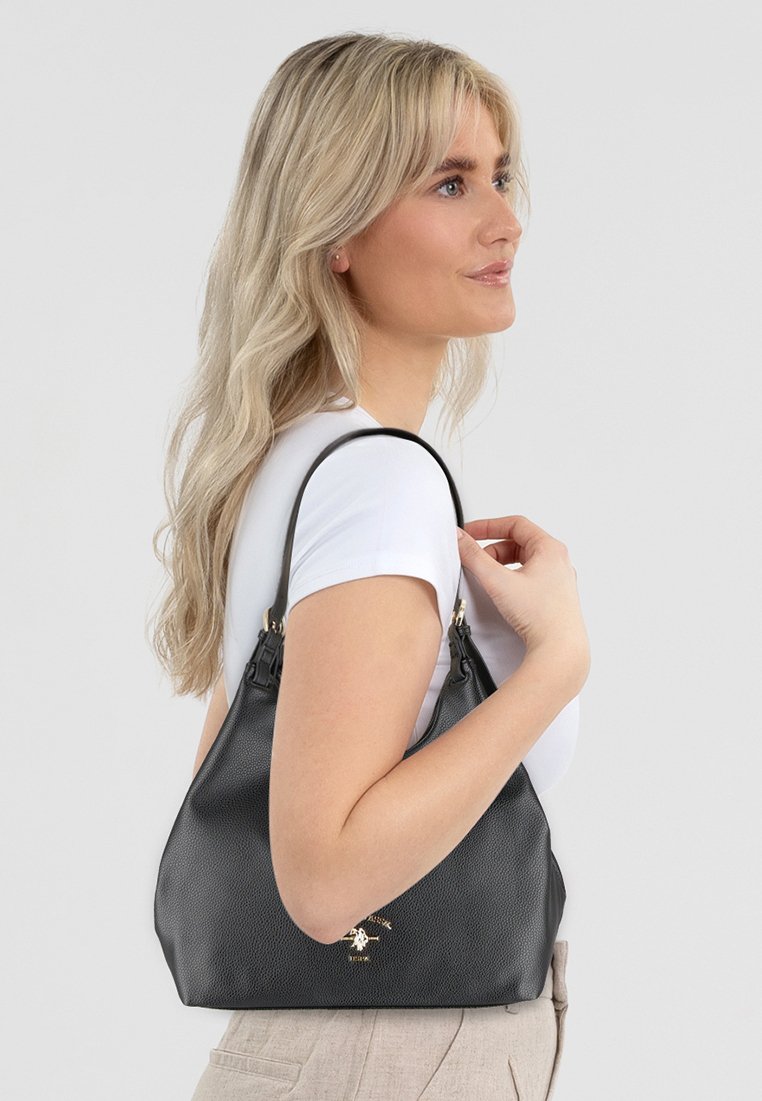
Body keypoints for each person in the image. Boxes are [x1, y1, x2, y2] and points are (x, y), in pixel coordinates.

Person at [149, 30, 590, 1101]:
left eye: (499, 177)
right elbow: (324, 881)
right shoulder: (378, 482)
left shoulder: (296, 459)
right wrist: (552, 668)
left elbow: (236, 782)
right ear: (337, 230)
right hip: (393, 1061)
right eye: (450, 183)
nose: (504, 221)